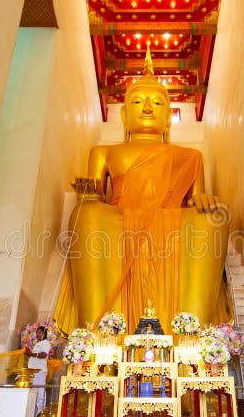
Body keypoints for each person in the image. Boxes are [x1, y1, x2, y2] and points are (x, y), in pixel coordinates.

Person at [56, 45, 229, 335]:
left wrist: (202, 199)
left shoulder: (190, 157)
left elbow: (194, 198)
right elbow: (97, 196)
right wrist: (89, 195)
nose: (148, 107)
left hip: (172, 219)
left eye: (157, 104)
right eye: (138, 102)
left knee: (214, 219)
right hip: (118, 218)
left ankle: (192, 337)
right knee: (86, 215)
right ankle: (98, 336)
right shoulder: (103, 151)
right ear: (124, 115)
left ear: (167, 118)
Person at [24, 326, 51, 415]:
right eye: (36, 332)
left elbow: (43, 355)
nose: (37, 334)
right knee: (35, 392)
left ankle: (40, 414)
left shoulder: (45, 343)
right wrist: (30, 352)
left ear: (44, 333)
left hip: (40, 372)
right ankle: (35, 414)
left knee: (40, 393)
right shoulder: (38, 343)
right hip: (34, 372)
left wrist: (30, 354)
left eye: (39, 332)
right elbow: (36, 354)